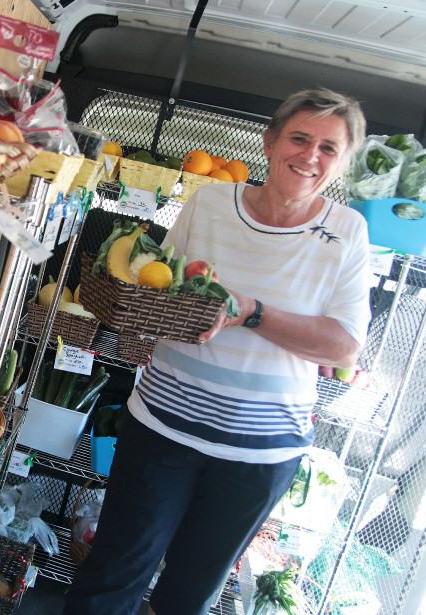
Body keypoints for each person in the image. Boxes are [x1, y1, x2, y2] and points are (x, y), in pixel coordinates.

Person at [64, 88, 371, 615]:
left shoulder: (348, 231)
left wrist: (252, 312)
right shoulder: (209, 203)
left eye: (328, 148)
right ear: (270, 142)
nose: (310, 156)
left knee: (190, 595)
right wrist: (138, 319)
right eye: (299, 138)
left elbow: (344, 346)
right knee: (112, 575)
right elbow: (164, 286)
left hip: (259, 455)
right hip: (163, 427)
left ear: (341, 163)